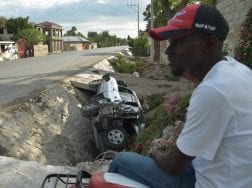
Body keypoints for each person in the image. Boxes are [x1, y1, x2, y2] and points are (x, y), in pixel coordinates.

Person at [108, 3, 252, 188]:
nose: (168, 50)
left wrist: (155, 154)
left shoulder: (212, 91)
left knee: (121, 160)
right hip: (235, 174)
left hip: (215, 183)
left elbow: (172, 165)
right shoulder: (236, 71)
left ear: (209, 44)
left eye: (178, 41)